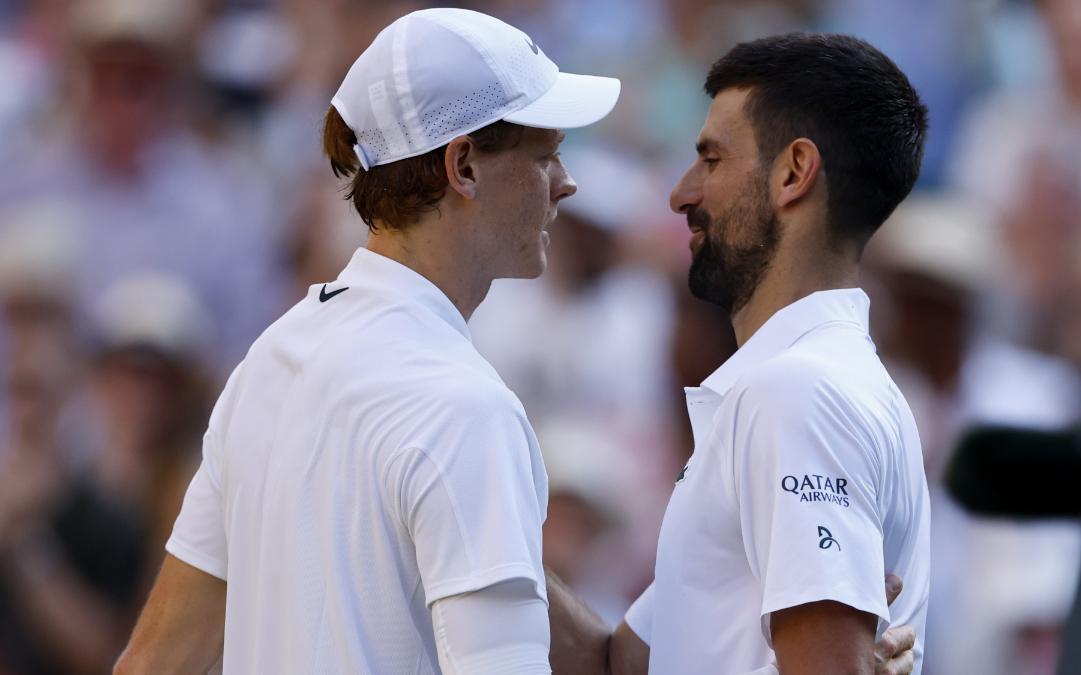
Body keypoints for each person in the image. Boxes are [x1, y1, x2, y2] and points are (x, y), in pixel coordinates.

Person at [115, 8, 619, 674]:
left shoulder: (269, 362)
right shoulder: (465, 406)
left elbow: (150, 664)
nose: (565, 182)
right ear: (463, 165)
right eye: (545, 154)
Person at [550, 33, 932, 675]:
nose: (682, 193)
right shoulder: (800, 388)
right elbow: (620, 665)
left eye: (711, 159)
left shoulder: (796, 394)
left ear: (794, 172)